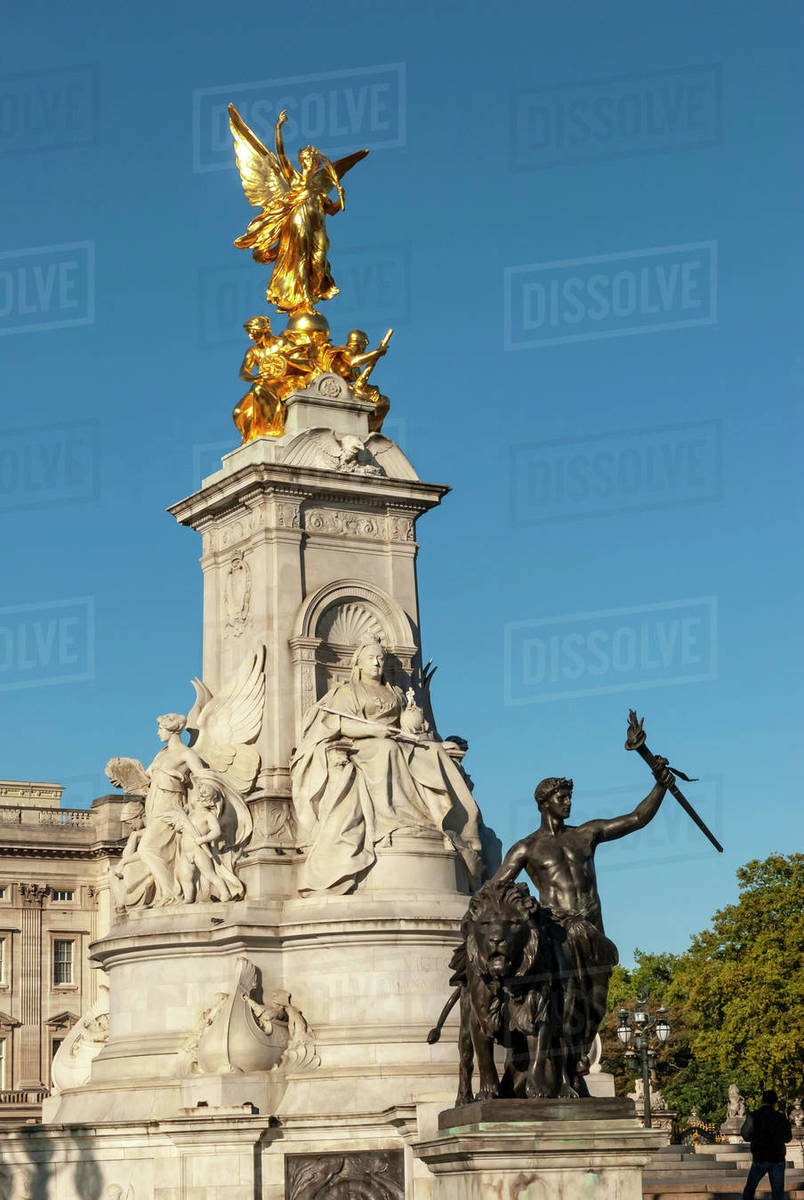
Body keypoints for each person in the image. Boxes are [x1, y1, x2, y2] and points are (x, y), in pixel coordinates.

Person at [491, 764, 673, 1096]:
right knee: (566, 1002)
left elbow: (635, 819)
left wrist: (659, 787)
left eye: (570, 797)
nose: (568, 803)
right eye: (562, 797)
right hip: (558, 932)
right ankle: (563, 1074)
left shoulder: (585, 834)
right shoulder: (526, 848)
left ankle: (576, 1062)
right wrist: (523, 908)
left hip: (593, 934)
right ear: (544, 802)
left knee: (595, 1006)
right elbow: (495, 890)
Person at [290, 638, 483, 895]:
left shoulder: (395, 692)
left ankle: (456, 826)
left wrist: (418, 728)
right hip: (362, 744)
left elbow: (410, 723)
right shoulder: (347, 692)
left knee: (435, 753)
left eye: (380, 658)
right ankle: (394, 821)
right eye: (371, 658)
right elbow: (340, 724)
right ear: (358, 663)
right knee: (387, 751)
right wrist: (371, 730)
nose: (377, 662)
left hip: (398, 739)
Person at [740, 1089, 792, 1200]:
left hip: (760, 1156)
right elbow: (788, 1138)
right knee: (778, 1192)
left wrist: (755, 1137)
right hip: (777, 1157)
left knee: (750, 1188)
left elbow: (745, 1134)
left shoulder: (753, 1116)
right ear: (775, 1102)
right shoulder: (781, 1117)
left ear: (762, 1101)